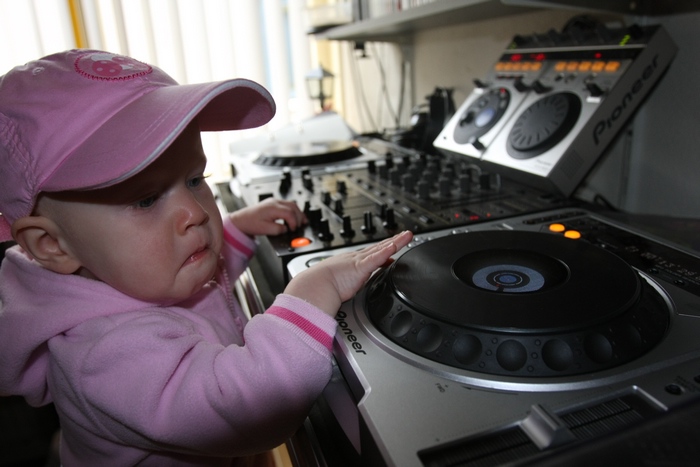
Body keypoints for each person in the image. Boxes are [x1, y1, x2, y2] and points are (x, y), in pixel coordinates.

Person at [0, 49, 412, 466]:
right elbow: (249, 406)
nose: (196, 212)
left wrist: (235, 231)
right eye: (146, 200)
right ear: (51, 245)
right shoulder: (104, 356)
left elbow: (201, 284)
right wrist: (313, 291)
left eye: (196, 179)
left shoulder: (132, 273)